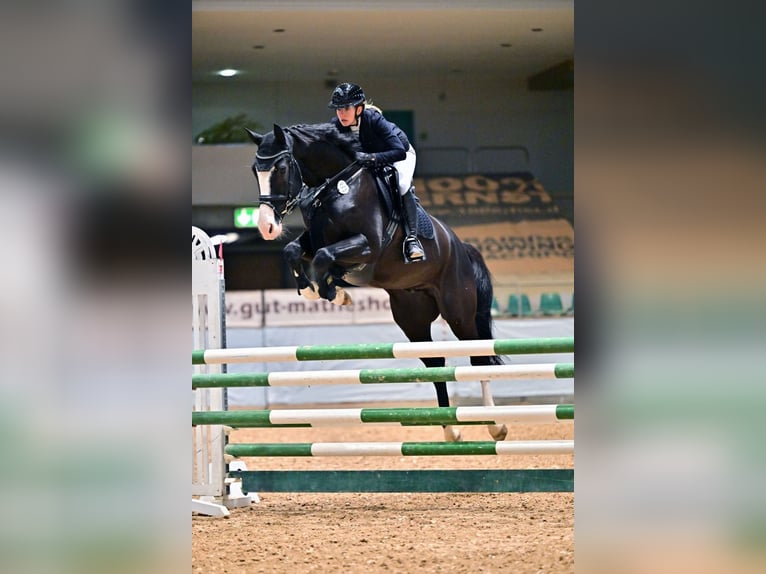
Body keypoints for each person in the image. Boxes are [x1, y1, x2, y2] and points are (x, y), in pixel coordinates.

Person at [328, 82, 425, 263]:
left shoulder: (374, 119)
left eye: (346, 108)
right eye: (338, 109)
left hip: (400, 154)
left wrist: (371, 158)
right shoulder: (336, 126)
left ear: (359, 108)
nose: (341, 114)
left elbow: (399, 152)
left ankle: (412, 239)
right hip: (370, 158)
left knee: (402, 185)